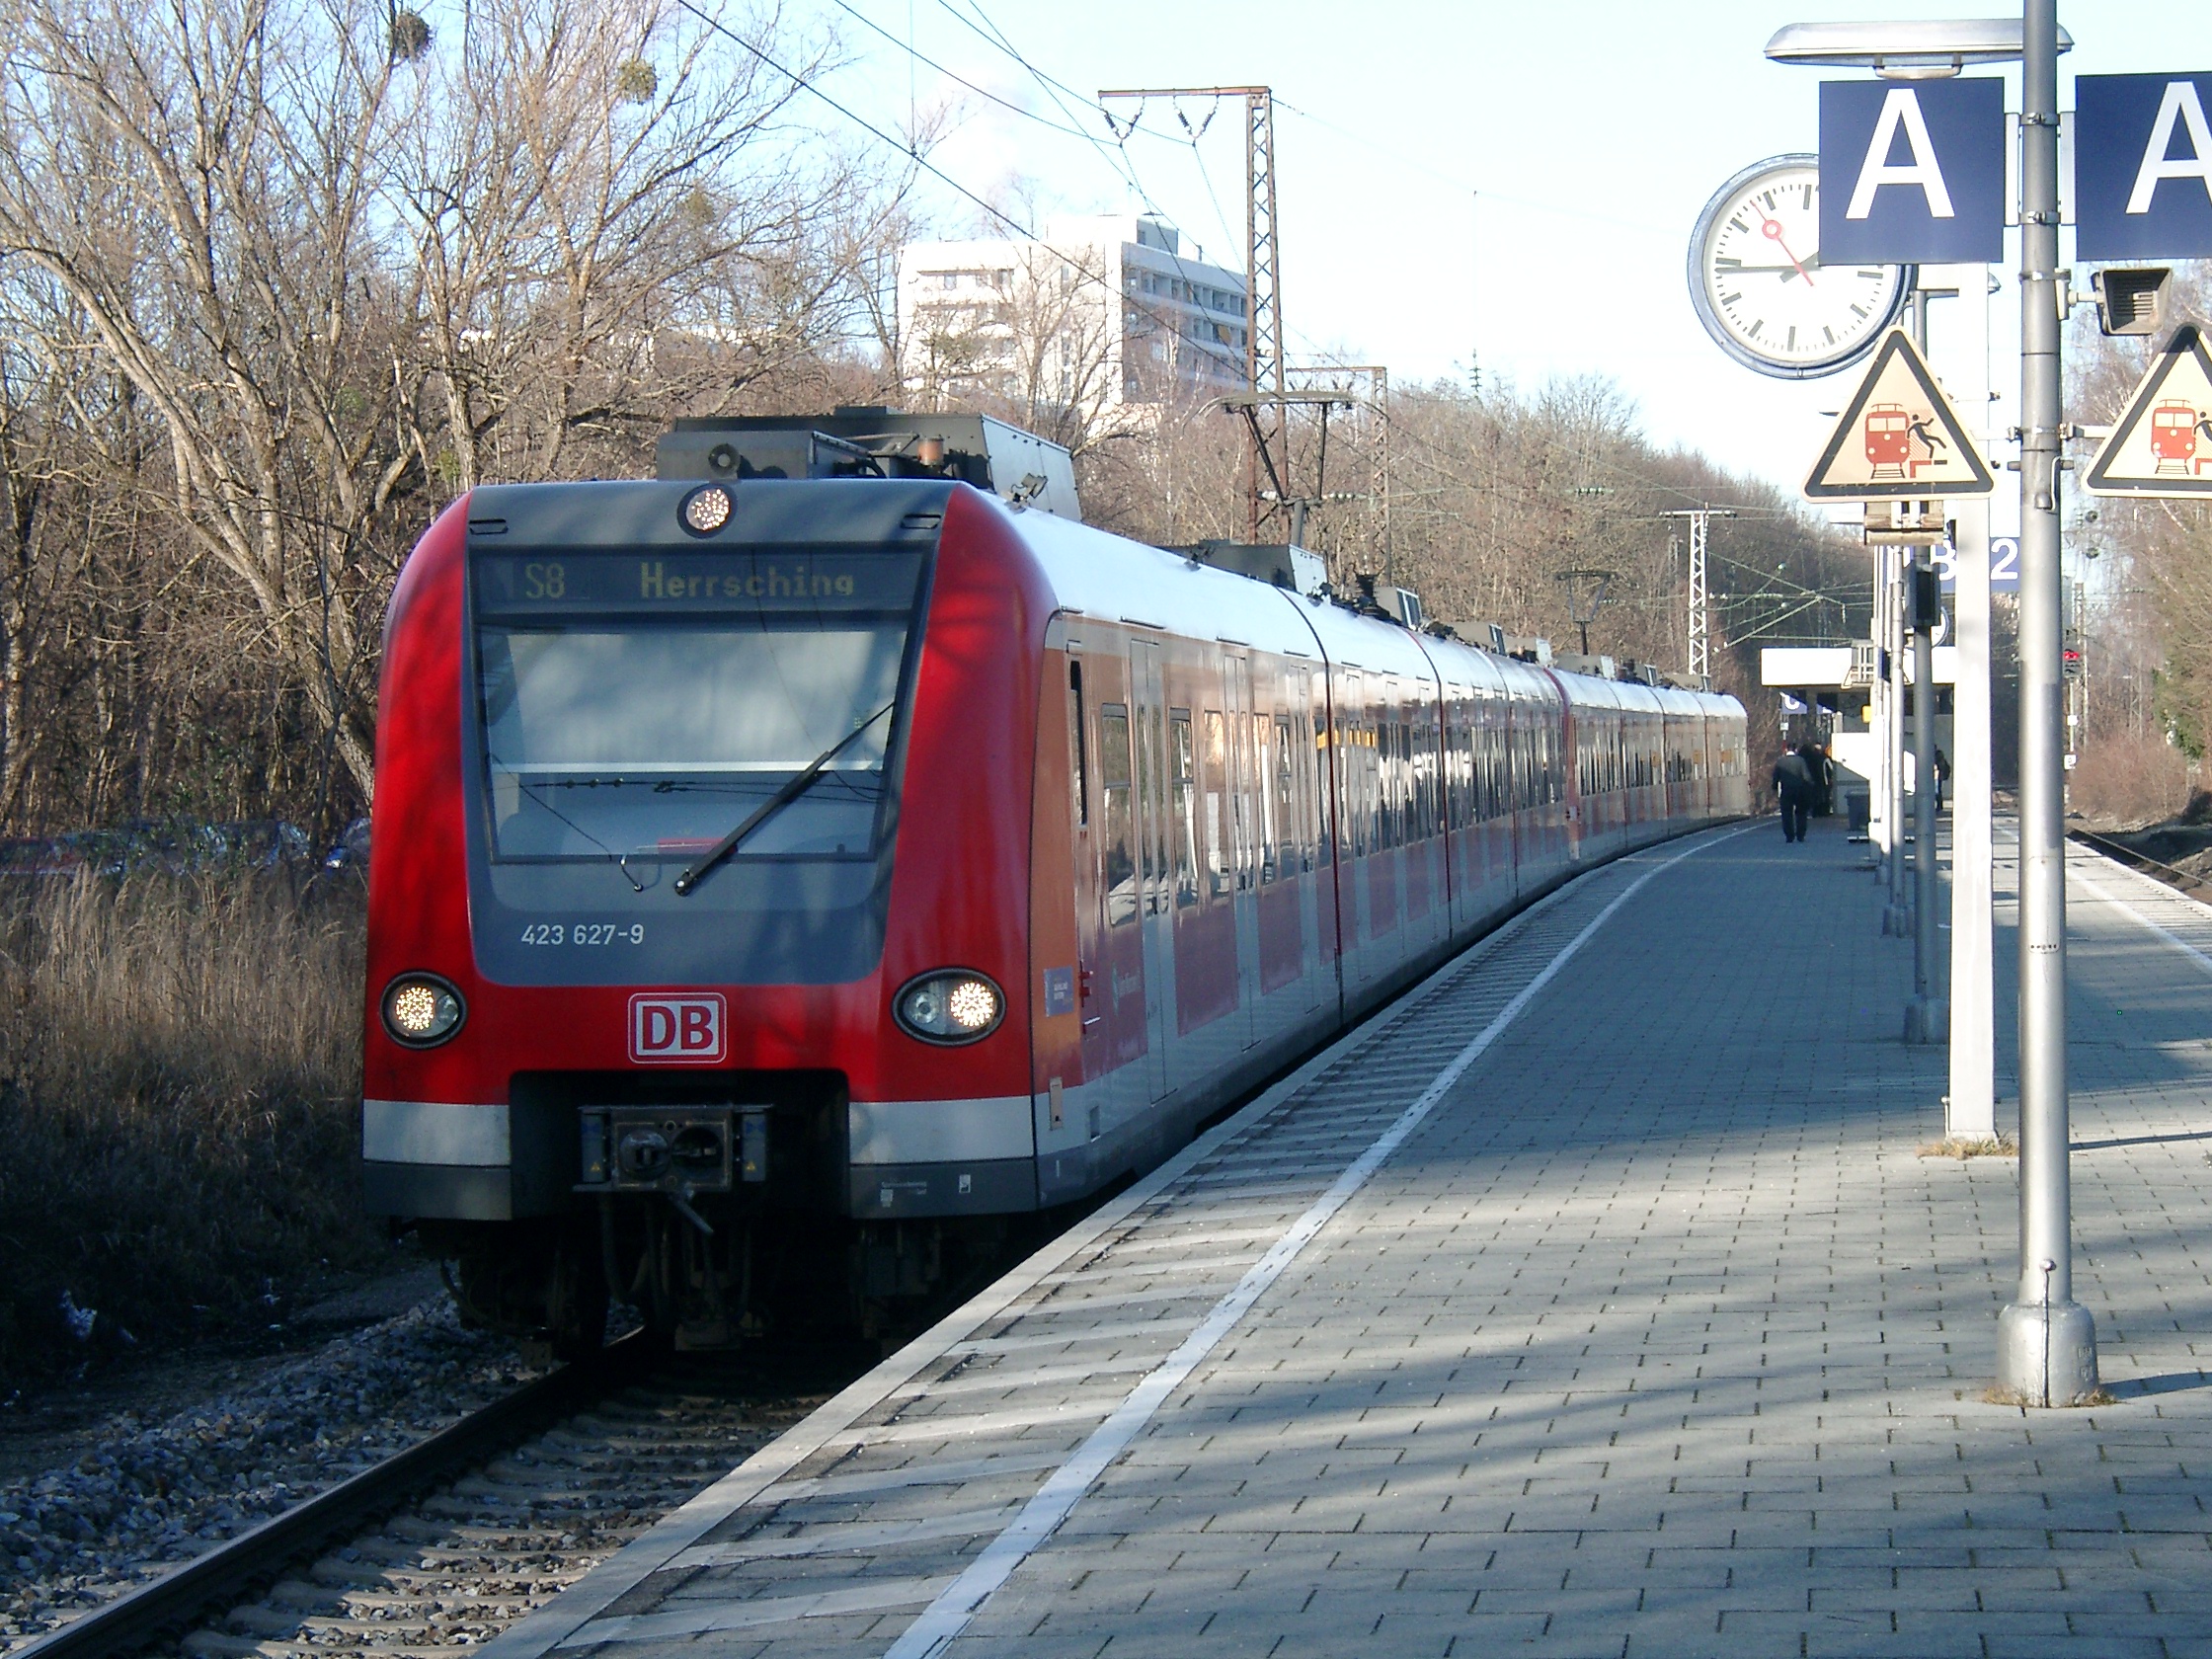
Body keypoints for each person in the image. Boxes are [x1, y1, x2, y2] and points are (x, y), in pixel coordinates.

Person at [1772, 748, 1814, 843]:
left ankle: (1789, 835)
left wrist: (1774, 787)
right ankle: (1800, 835)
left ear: (1786, 750)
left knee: (1786, 813)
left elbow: (1776, 777)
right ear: (1795, 750)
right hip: (1800, 791)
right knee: (1801, 813)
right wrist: (1809, 787)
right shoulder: (1801, 761)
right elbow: (1806, 777)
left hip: (1786, 791)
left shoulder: (1780, 762)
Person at [1934, 746, 1950, 812]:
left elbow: (1939, 766)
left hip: (1937, 775)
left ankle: (1939, 806)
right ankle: (1939, 805)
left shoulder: (1936, 756)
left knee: (1937, 791)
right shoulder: (1939, 755)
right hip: (1938, 775)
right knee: (1937, 791)